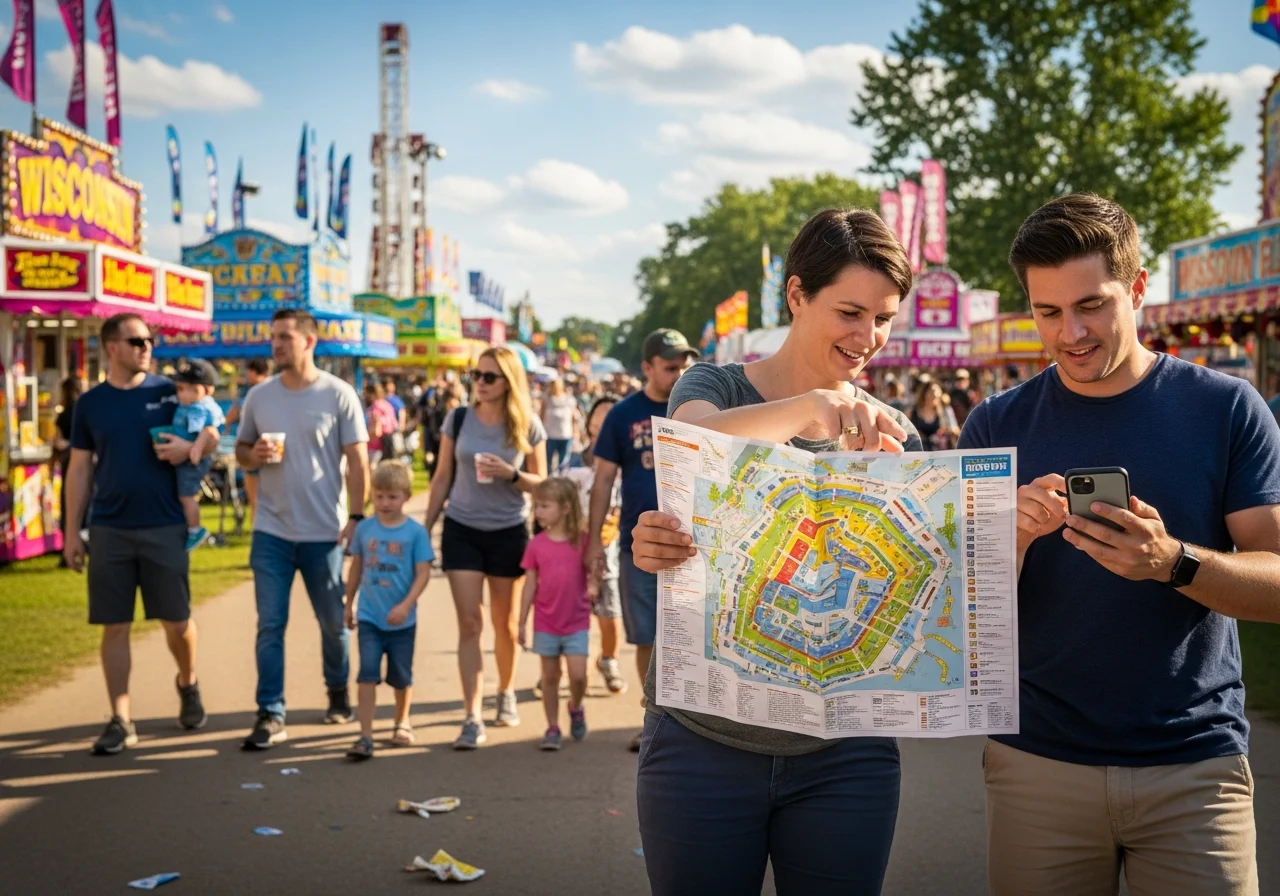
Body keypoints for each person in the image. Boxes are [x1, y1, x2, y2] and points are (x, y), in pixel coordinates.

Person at [954, 193, 1280, 895]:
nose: (1070, 332)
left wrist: (1173, 563)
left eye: (1091, 305)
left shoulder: (1225, 408)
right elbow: (956, 618)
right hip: (1036, 765)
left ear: (1136, 289)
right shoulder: (992, 424)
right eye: (1047, 311)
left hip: (1196, 768)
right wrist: (1004, 541)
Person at [628, 208, 921, 894]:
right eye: (850, 312)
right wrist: (808, 409)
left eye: (883, 318)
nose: (867, 337)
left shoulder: (891, 433)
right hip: (703, 739)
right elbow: (691, 449)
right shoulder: (714, 385)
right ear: (796, 295)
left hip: (845, 753)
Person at [63, 313, 219, 754]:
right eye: (137, 341)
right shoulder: (91, 404)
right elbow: (78, 469)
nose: (146, 347)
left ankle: (188, 684)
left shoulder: (172, 392)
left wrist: (192, 448)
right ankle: (121, 718)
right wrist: (72, 533)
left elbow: (213, 428)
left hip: (166, 524)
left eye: (150, 340)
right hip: (109, 527)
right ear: (111, 347)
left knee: (177, 621)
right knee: (114, 626)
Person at [235, 308, 371, 750]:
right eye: (273, 338)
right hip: (271, 531)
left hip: (324, 533)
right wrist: (252, 454)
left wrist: (355, 518)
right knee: (270, 624)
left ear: (309, 342)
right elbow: (240, 452)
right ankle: (270, 711)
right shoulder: (260, 397)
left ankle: (337, 691)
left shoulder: (338, 394)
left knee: (333, 624)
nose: (275, 345)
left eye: (284, 338)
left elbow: (357, 461)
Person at [423, 347, 548, 749]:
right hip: (461, 527)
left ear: (508, 381)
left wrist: (511, 474)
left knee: (505, 624)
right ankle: (471, 715)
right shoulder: (457, 418)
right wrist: (423, 528)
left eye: (489, 376)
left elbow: (544, 485)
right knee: (470, 624)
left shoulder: (527, 425)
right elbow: (442, 477)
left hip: (508, 531)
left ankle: (506, 691)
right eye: (476, 374)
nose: (480, 381)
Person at [587, 329, 697, 751]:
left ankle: (692, 727)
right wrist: (595, 541)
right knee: (648, 637)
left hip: (697, 547)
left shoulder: (703, 409)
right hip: (641, 549)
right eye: (671, 366)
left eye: (685, 364)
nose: (680, 373)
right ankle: (655, 721)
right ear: (647, 367)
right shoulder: (622, 414)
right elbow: (602, 481)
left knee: (693, 635)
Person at [343, 459, 433, 760]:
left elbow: (423, 573)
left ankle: (401, 721)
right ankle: (365, 734)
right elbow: (356, 568)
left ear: (407, 496)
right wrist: (349, 603)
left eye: (392, 496)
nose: (384, 502)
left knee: (400, 675)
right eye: (379, 496)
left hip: (402, 621)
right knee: (366, 674)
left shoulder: (415, 533)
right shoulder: (365, 529)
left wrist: (406, 605)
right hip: (370, 616)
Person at [518, 477, 592, 751]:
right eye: (536, 506)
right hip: (545, 623)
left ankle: (575, 705)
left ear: (565, 508)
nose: (537, 512)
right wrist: (522, 622)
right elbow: (528, 586)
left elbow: (594, 571)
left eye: (544, 506)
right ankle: (552, 726)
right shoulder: (536, 544)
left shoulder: (583, 542)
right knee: (549, 677)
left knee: (578, 675)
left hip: (576, 621)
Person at [562, 393, 628, 695]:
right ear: (588, 423)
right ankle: (567, 668)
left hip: (609, 548)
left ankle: (609, 660)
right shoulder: (574, 458)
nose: (601, 427)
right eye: (597, 420)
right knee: (570, 612)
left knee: (609, 610)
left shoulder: (627, 465)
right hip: (574, 547)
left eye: (610, 420)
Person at [163, 360, 225, 551]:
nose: (184, 394)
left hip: (191, 462)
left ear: (207, 391)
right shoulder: (188, 406)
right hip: (183, 458)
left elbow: (209, 431)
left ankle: (195, 529)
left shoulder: (201, 408)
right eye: (180, 389)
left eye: (191, 390)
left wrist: (193, 449)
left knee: (186, 495)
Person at [225, 358, 271, 518]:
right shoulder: (276, 390)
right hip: (275, 450)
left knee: (256, 501)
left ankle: (257, 531)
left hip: (253, 450)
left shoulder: (250, 394)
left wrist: (227, 425)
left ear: (252, 371)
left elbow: (230, 417)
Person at [53, 375, 82, 564]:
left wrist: (68, 446)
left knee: (69, 506)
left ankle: (69, 548)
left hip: (69, 463)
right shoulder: (85, 412)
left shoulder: (64, 415)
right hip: (87, 464)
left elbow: (56, 441)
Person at [541, 377, 580, 472]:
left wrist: (576, 432)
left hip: (565, 434)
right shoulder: (547, 398)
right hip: (550, 435)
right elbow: (542, 416)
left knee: (563, 462)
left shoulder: (569, 399)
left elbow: (575, 417)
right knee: (548, 461)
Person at [908, 379, 959, 451]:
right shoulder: (912, 412)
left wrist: (947, 430)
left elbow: (956, 430)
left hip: (940, 453)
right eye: (931, 393)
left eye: (937, 395)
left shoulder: (945, 411)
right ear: (924, 394)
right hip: (918, 454)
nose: (934, 396)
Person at [363, 380, 399, 464]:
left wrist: (368, 438)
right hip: (389, 437)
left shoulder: (376, 406)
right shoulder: (387, 404)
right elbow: (394, 423)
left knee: (374, 465)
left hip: (378, 441)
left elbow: (377, 429)